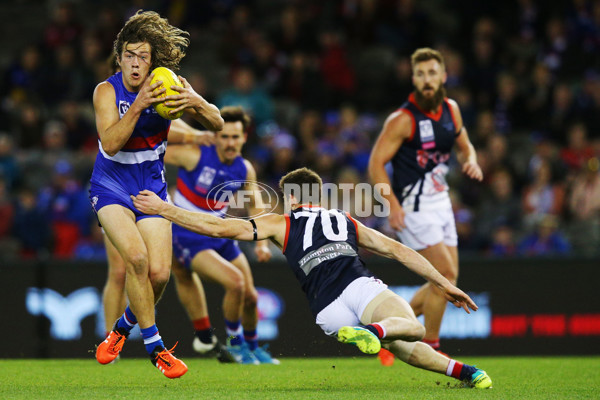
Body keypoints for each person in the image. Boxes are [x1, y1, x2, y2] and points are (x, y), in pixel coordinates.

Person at [131, 167, 492, 389]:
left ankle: (466, 372)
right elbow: (399, 250)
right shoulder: (345, 220)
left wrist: (165, 209)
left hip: (327, 312)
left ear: (289, 198)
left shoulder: (279, 223)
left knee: (404, 349)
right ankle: (376, 332)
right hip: (358, 287)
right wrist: (444, 283)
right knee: (411, 329)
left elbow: (221, 227)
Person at [91, 10, 223, 379]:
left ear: (153, 60)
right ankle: (156, 347)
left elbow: (217, 124)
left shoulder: (167, 86)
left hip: (150, 186)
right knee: (134, 259)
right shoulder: (106, 91)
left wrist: (195, 100)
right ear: (119, 58)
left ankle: (121, 329)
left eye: (143, 57)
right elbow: (111, 143)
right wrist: (139, 103)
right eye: (129, 56)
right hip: (111, 185)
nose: (136, 64)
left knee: (160, 274)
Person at [368, 48, 483, 360]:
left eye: (432, 73)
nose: (427, 80)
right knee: (442, 275)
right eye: (421, 74)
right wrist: (391, 204)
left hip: (441, 203)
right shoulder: (402, 119)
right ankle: (432, 347)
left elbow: (465, 146)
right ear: (413, 79)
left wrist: (470, 160)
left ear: (443, 76)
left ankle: (388, 329)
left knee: (448, 280)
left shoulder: (451, 109)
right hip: (413, 207)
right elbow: (376, 164)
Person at [165, 106, 278, 364]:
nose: (230, 142)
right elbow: (152, 151)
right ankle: (235, 345)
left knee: (250, 296)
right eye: (224, 136)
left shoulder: (244, 169)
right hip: (188, 235)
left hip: (221, 231)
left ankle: (251, 347)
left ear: (244, 138)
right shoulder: (194, 155)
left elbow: (256, 207)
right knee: (235, 282)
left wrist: (262, 244)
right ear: (215, 136)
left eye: (235, 137)